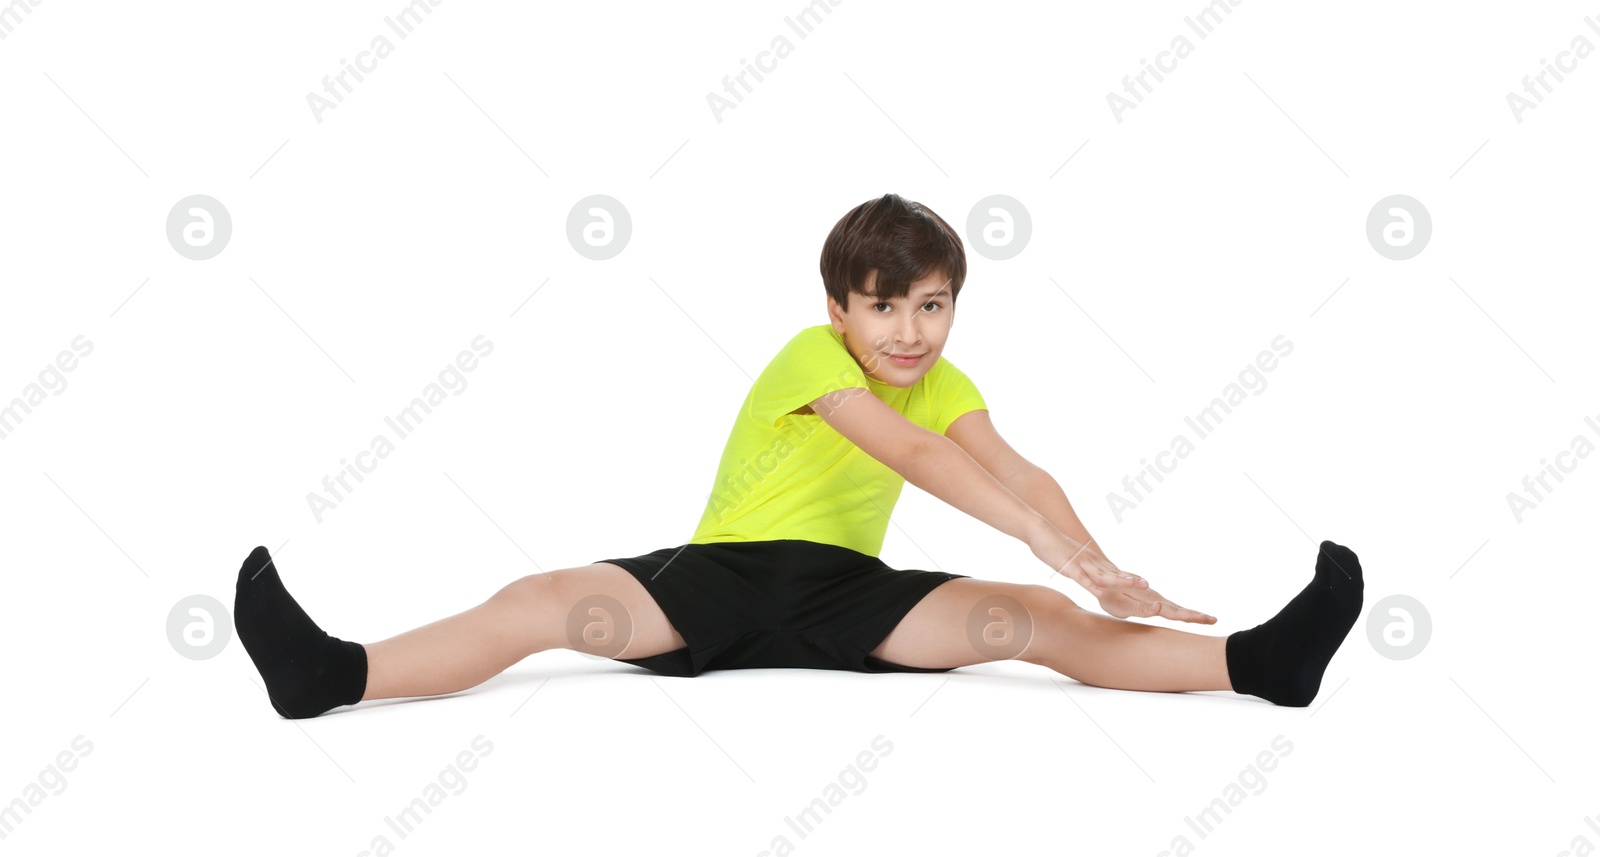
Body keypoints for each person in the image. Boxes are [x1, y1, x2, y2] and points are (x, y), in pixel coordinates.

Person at [234, 193, 1363, 720]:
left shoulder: (948, 378)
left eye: (932, 306)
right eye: (885, 308)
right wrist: (1038, 535)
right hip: (712, 582)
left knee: (1034, 619)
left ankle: (1258, 664)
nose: (909, 332)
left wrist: (1088, 559)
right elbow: (913, 454)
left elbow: (1010, 466)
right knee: (540, 599)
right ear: (838, 309)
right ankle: (332, 672)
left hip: (847, 598)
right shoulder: (805, 359)